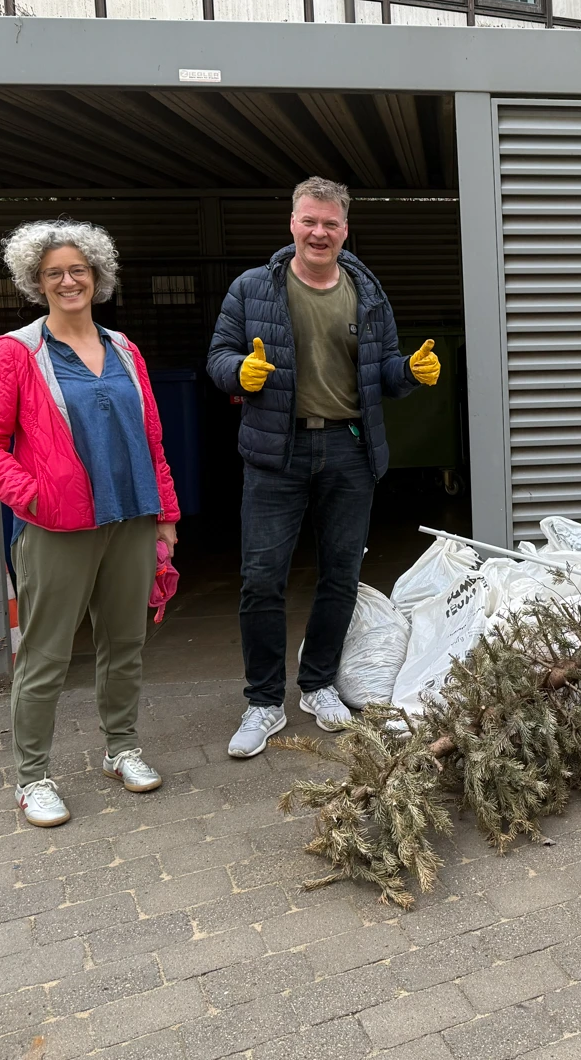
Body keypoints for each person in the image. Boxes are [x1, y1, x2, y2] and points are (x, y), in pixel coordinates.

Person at [208, 177, 440, 757]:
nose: (319, 232)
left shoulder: (367, 290)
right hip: (275, 453)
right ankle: (263, 701)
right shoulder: (252, 288)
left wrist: (409, 372)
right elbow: (216, 357)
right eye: (309, 220)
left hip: (347, 450)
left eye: (331, 223)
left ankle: (316, 685)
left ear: (344, 228)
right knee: (262, 578)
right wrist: (239, 373)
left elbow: (383, 370)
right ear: (292, 223)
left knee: (339, 575)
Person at [0, 221, 181, 828]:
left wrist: (166, 514)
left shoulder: (125, 349)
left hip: (132, 518)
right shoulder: (17, 352)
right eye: (53, 271)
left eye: (77, 269)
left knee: (125, 645)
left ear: (97, 276)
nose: (67, 280)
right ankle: (32, 779)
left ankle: (122, 748)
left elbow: (152, 440)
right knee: (45, 656)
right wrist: (32, 496)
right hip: (56, 529)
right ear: (37, 281)